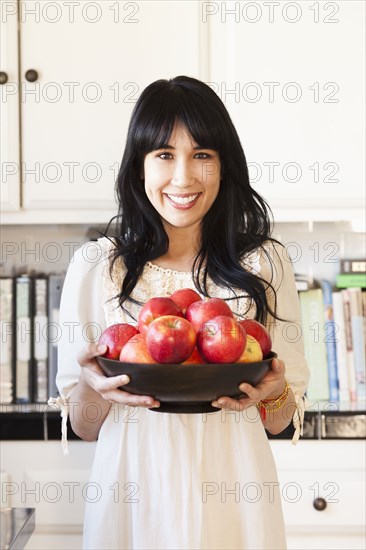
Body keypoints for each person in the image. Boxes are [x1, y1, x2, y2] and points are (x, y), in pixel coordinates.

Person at [52, 75, 309, 550]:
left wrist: (272, 394)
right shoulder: (97, 267)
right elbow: (86, 427)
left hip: (237, 494)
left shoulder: (264, 263)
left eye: (203, 155)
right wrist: (94, 385)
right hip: (132, 494)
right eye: (165, 155)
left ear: (224, 167)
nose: (184, 178)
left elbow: (279, 419)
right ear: (139, 168)